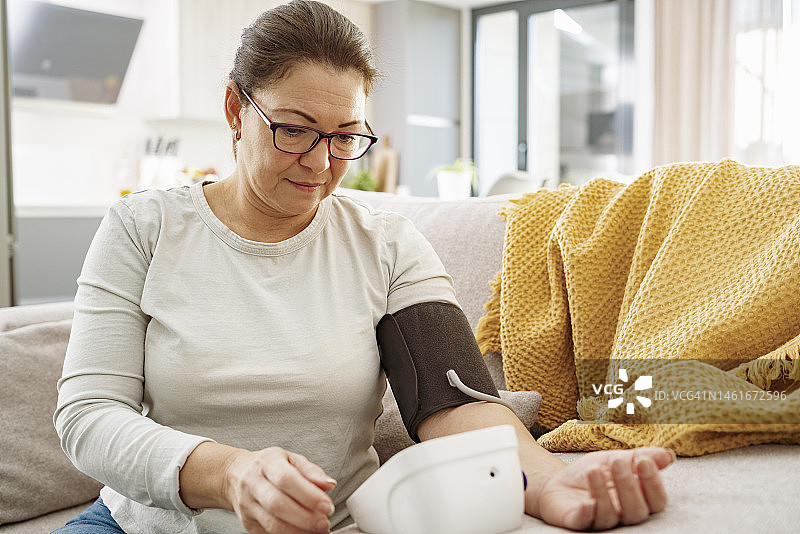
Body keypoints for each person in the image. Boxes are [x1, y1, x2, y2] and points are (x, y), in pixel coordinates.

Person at [54, 2, 674, 533]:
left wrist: (545, 482)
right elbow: (88, 415)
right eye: (294, 131)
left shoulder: (385, 243)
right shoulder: (143, 228)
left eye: (346, 135)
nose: (320, 164)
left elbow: (452, 399)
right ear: (234, 110)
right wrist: (231, 473)